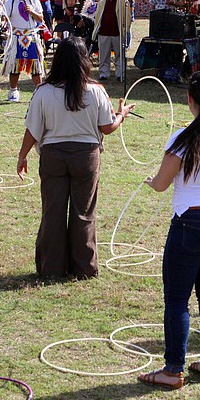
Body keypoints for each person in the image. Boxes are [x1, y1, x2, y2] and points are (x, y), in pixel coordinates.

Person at [136, 70, 200, 389]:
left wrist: (151, 182)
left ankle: (173, 370)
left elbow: (162, 183)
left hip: (193, 222)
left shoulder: (182, 139)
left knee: (177, 298)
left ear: (189, 100)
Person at [16, 37, 134, 279]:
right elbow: (107, 127)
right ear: (84, 61)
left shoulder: (43, 92)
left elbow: (33, 130)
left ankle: (51, 269)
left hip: (53, 157)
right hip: (86, 158)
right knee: (84, 212)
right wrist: (121, 115)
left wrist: (22, 155)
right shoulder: (96, 91)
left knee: (53, 212)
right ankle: (84, 268)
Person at [1, 0, 45, 103]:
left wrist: (32, 12)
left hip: (30, 36)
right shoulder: (10, 2)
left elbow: (41, 19)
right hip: (16, 37)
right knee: (15, 66)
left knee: (35, 66)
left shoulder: (34, 0)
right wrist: (4, 24)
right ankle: (13, 90)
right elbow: (5, 18)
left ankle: (39, 91)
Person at [92, 0, 131, 82]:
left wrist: (124, 30)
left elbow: (127, 18)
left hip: (117, 33)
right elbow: (97, 17)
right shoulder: (101, 3)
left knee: (119, 55)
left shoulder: (124, 2)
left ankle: (120, 73)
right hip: (103, 32)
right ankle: (103, 73)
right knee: (103, 55)